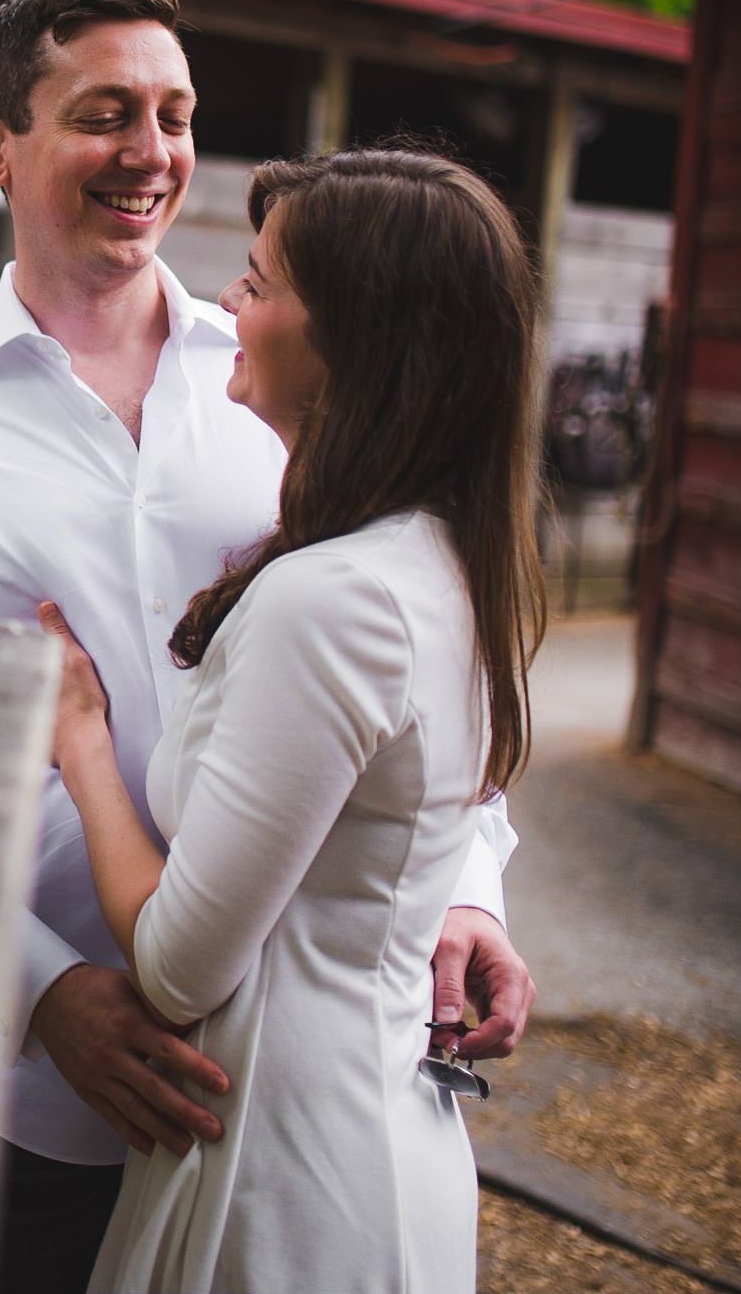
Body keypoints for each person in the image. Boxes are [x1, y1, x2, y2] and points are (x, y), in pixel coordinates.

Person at [0, 0, 536, 1292]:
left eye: (173, 112)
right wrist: (40, 991)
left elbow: (430, 673)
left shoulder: (291, 377)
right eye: (103, 114)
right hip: (21, 1082)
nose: (150, 153)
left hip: (266, 1077)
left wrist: (463, 887)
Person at [43, 146, 544, 1291]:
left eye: (261, 283)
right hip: (370, 1125)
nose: (228, 302)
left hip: (280, 1166)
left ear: (350, 339)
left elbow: (177, 971)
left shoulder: (332, 601)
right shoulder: (444, 557)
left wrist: (79, 736)